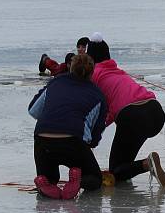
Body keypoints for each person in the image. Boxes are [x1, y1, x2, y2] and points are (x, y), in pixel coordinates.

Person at [86, 33, 165, 187]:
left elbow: (99, 111)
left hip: (132, 116)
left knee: (115, 171)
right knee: (124, 162)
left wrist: (91, 136)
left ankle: (147, 164)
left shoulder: (95, 75)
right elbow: (111, 110)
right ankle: (143, 165)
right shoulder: (117, 71)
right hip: (155, 111)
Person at [29, 53, 107, 199]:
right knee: (95, 179)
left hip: (42, 138)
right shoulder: (97, 95)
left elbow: (33, 110)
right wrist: (90, 144)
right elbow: (97, 130)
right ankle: (78, 181)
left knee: (50, 179)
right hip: (72, 140)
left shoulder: (55, 82)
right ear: (92, 72)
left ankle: (45, 182)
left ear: (70, 68)